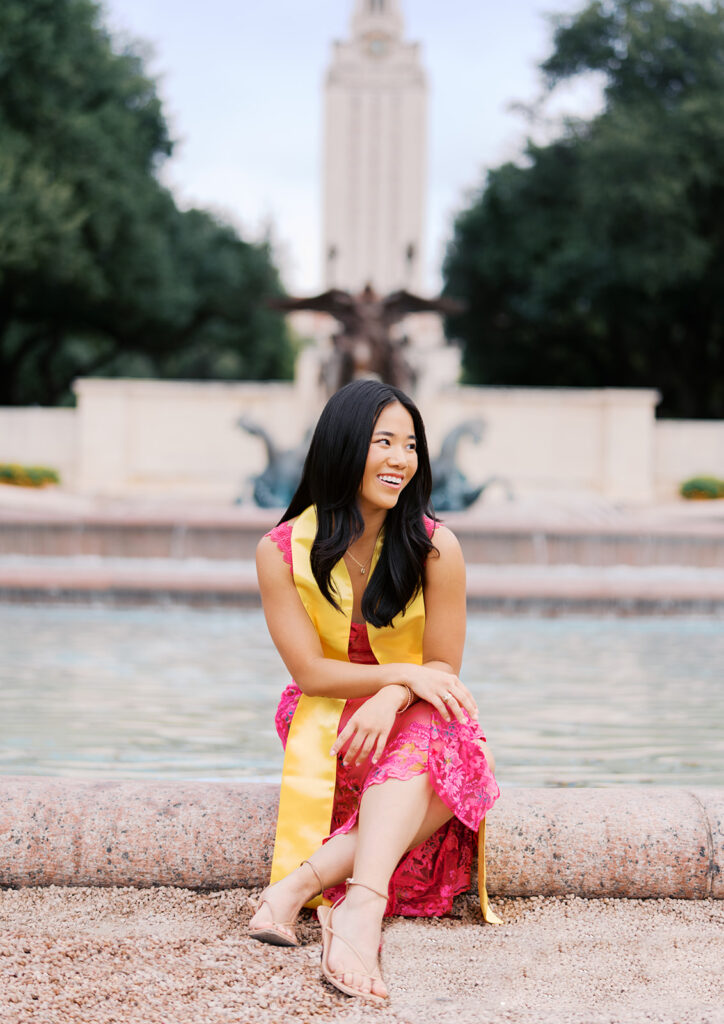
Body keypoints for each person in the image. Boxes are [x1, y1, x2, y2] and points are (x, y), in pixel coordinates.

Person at [248, 379, 500, 1003]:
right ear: (342, 445)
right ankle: (328, 896)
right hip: (331, 716)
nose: (401, 459)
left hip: (408, 711)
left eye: (410, 445)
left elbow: (441, 670)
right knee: (462, 760)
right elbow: (312, 673)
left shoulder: (434, 546)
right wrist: (403, 678)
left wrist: (395, 692)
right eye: (383, 441)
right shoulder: (281, 552)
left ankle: (340, 899)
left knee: (457, 738)